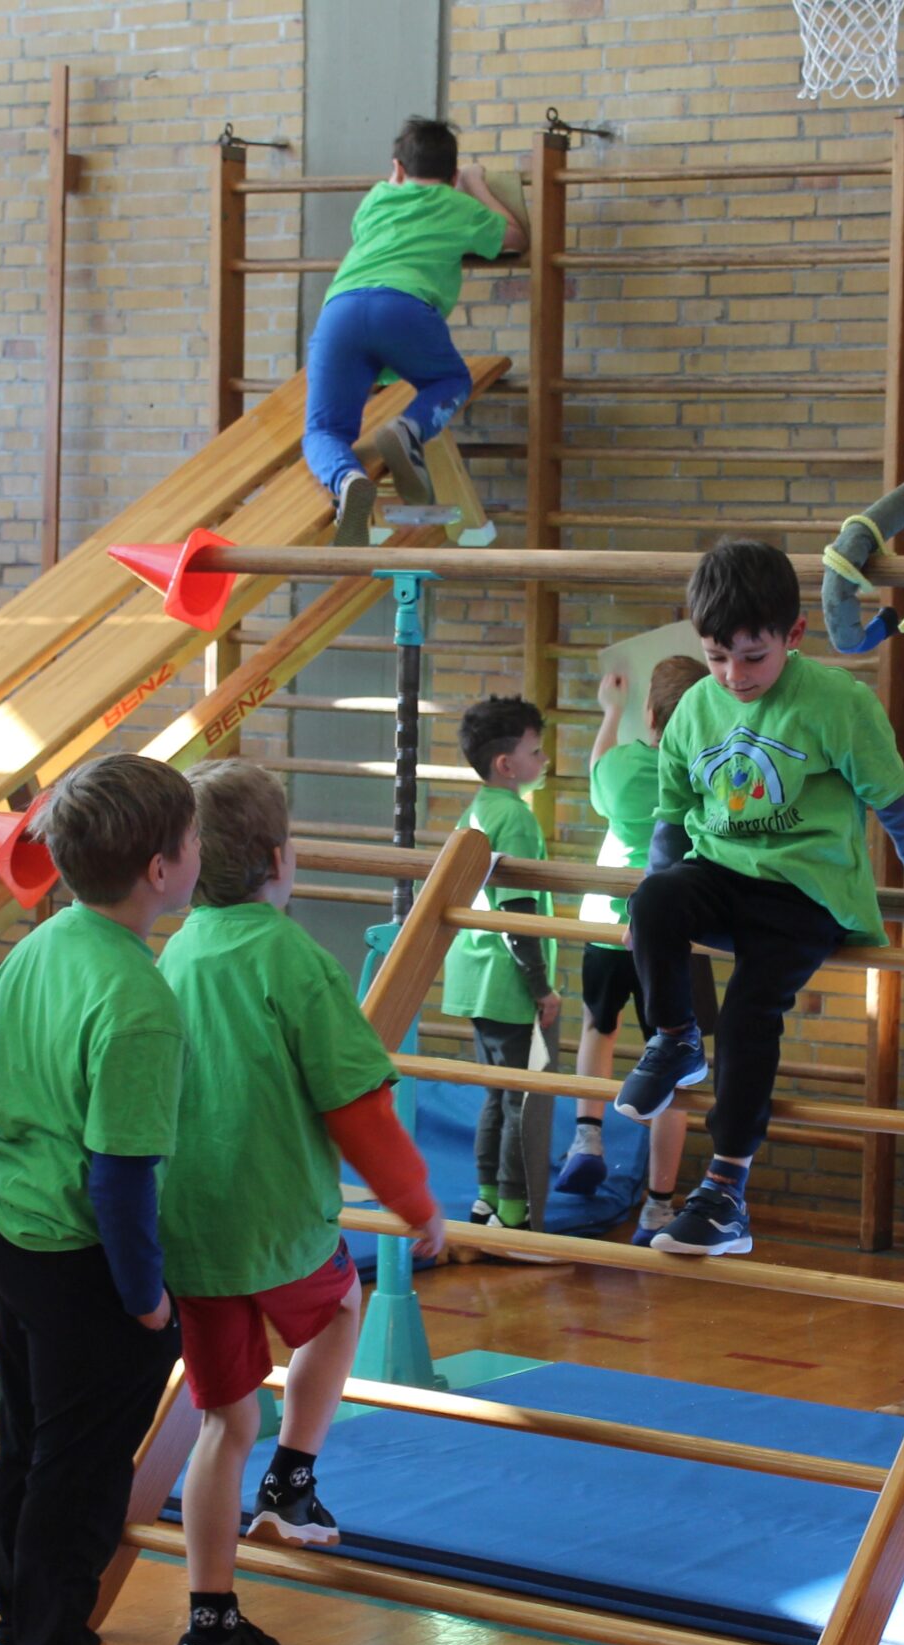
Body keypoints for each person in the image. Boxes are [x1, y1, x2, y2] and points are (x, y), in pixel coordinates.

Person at [156, 762, 446, 1645]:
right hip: (278, 1224)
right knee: (339, 1310)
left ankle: (208, 1627)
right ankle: (293, 1480)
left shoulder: (176, 952)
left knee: (222, 1422)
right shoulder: (292, 961)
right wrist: (416, 1204)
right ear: (282, 862)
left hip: (192, 1232)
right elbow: (355, 1105)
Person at [617, 540, 904, 1257]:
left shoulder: (836, 704)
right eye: (718, 656)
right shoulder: (696, 707)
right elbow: (671, 812)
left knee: (753, 1011)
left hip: (805, 893)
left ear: (793, 636)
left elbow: (892, 800)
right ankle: (673, 1038)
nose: (734, 675)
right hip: (723, 874)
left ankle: (724, 1191)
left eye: (752, 657)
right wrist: (650, 906)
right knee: (654, 900)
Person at [0, 754, 194, 1645]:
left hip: (1, 1227)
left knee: (31, 1445)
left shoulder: (44, 942)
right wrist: (144, 1299)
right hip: (71, 1253)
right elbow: (120, 1178)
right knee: (81, 1473)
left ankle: (18, 1644)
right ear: (159, 868)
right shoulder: (138, 999)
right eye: (190, 845)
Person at [555, 655, 717, 1246]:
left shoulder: (621, 767)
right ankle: (658, 1204)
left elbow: (597, 765)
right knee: (675, 1060)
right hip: (673, 933)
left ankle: (588, 1133)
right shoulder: (706, 776)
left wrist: (611, 711)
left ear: (650, 715)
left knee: (599, 1027)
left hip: (604, 920)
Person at [307, 115, 527, 548]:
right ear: (451, 174)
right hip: (404, 307)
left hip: (341, 310)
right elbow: (518, 238)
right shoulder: (459, 206)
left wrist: (397, 177)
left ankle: (347, 480)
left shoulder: (377, 199)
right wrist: (476, 185)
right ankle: (408, 429)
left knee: (324, 431)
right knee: (450, 379)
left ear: (399, 169)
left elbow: (382, 208)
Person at [443, 694, 560, 1234]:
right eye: (537, 752)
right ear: (506, 765)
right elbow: (518, 912)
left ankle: (486, 1197)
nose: (546, 762)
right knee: (521, 1101)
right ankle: (514, 1211)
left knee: (496, 1095)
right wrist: (540, 985)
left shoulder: (478, 809)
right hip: (506, 982)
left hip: (475, 977)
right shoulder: (514, 817)